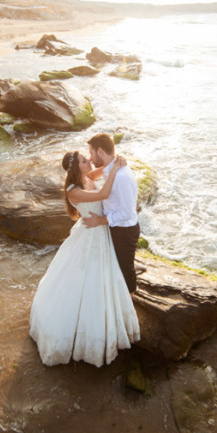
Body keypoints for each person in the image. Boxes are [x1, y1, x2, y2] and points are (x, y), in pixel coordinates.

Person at [29, 150, 140, 367]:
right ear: (76, 168)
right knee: (85, 279)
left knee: (107, 275)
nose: (88, 161)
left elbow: (105, 168)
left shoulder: (88, 177)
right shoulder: (74, 192)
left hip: (101, 233)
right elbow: (103, 195)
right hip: (91, 234)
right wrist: (116, 169)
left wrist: (118, 162)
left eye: (87, 157)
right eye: (83, 160)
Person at [84, 133, 140, 293]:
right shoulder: (110, 170)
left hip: (124, 230)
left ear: (100, 151)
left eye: (91, 153)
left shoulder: (121, 176)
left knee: (125, 271)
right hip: (116, 228)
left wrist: (100, 221)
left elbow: (126, 213)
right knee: (118, 267)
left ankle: (129, 309)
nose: (90, 158)